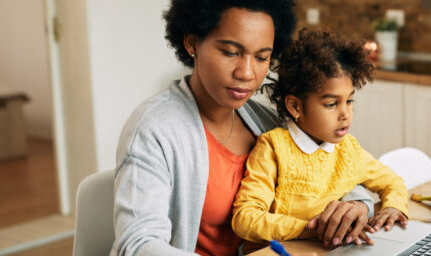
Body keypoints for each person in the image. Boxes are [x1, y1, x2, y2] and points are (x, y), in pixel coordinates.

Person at [111, 1, 375, 255]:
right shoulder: (154, 130)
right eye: (231, 52)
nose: (247, 73)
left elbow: (332, 168)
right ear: (192, 43)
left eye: (262, 57)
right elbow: (138, 245)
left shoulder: (265, 122)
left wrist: (356, 204)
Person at [231, 29, 410, 248]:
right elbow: (245, 219)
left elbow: (393, 182)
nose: (345, 114)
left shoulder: (349, 149)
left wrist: (394, 207)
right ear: (295, 106)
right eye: (331, 104)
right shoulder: (273, 147)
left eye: (349, 101)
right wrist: (312, 228)